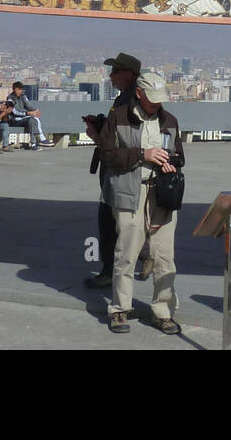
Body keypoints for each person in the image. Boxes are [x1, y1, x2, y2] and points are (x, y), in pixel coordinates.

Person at [97, 71, 185, 335]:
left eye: (160, 99)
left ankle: (163, 311)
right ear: (139, 93)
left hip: (161, 195)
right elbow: (107, 154)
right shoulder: (118, 117)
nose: (157, 104)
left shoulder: (169, 120)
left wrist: (173, 162)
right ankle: (119, 309)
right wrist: (142, 154)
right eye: (152, 99)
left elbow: (180, 154)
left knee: (164, 257)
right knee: (126, 254)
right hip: (129, 193)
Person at [83, 52, 140, 289]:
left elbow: (117, 143)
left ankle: (110, 272)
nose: (111, 76)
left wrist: (97, 135)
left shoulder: (127, 102)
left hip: (119, 173)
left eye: (115, 71)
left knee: (110, 222)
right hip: (125, 171)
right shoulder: (131, 99)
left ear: (127, 74)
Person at [6, 81, 54, 150]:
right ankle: (42, 138)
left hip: (23, 119)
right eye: (18, 89)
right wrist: (28, 113)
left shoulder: (23, 96)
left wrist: (35, 111)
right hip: (15, 120)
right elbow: (14, 112)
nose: (20, 91)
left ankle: (33, 144)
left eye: (21, 89)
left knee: (32, 120)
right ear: (14, 89)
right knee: (33, 118)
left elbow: (29, 106)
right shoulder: (10, 98)